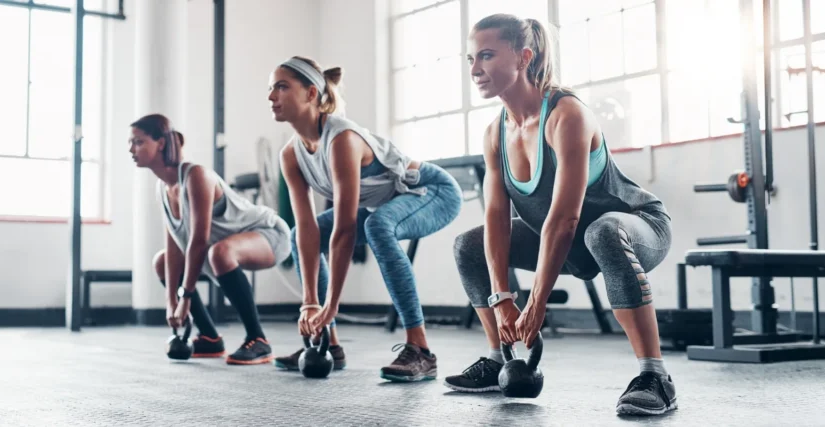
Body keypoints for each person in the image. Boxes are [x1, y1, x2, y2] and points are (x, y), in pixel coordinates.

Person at [443, 14, 677, 416]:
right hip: (572, 241)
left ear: (523, 57)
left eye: (485, 55)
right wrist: (503, 299)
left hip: (635, 227)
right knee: (468, 245)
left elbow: (564, 218)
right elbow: (497, 217)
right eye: (470, 58)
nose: (475, 69)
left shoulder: (567, 115)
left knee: (601, 232)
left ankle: (655, 376)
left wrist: (536, 303)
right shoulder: (494, 134)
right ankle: (500, 358)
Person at [268, 56, 463, 382]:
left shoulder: (342, 139)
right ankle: (327, 342)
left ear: (311, 93)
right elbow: (307, 228)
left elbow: (344, 230)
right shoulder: (290, 154)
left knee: (377, 226)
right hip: (388, 202)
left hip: (434, 191)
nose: (271, 96)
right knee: (297, 234)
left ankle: (421, 350)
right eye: (270, 88)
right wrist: (310, 304)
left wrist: (331, 305)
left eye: (282, 87)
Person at [129, 113, 292, 365]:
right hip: (221, 247)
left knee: (219, 252)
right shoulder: (162, 188)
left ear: (161, 143)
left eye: (138, 142)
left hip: (270, 236)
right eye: (131, 143)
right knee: (161, 260)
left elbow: (198, 240)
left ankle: (258, 340)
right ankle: (209, 338)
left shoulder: (196, 176)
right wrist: (171, 301)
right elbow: (175, 248)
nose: (131, 149)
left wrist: (185, 297)